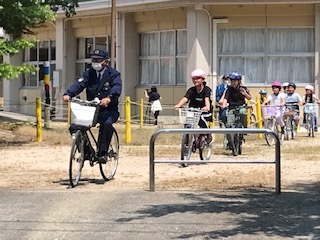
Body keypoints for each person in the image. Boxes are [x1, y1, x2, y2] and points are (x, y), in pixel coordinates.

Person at [63, 49, 122, 162]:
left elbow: (116, 88)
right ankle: (86, 152)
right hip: (92, 109)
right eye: (94, 60)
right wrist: (68, 94)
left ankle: (103, 153)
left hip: (108, 109)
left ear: (105, 61)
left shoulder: (113, 74)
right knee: (74, 127)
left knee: (106, 124)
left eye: (98, 60)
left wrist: (109, 98)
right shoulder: (88, 74)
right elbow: (79, 84)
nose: (96, 62)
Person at [174, 69, 213, 144]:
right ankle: (186, 142)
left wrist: (206, 107)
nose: (195, 80)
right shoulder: (191, 90)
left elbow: (207, 99)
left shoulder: (206, 90)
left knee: (201, 118)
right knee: (187, 121)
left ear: (202, 79)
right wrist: (179, 105)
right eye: (194, 79)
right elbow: (185, 98)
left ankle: (208, 134)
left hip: (205, 112)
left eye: (198, 78)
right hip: (193, 111)